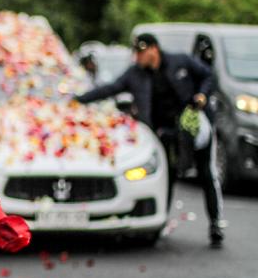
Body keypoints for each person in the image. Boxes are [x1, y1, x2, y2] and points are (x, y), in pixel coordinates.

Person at [74, 33, 224, 248]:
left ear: (153, 49)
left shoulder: (180, 61)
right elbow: (110, 89)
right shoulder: (135, 74)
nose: (138, 58)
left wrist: (202, 95)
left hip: (193, 127)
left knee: (206, 173)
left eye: (141, 52)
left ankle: (215, 224)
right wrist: (78, 100)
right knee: (167, 176)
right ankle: (160, 221)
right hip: (164, 132)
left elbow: (208, 75)